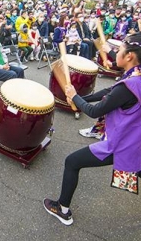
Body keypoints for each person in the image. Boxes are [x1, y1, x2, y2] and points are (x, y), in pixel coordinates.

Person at [44, 33, 141, 225]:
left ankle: (62, 210)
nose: (115, 52)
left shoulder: (129, 85)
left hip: (124, 144)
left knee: (72, 162)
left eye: (119, 49)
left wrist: (74, 96)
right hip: (136, 139)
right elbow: (110, 93)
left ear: (129, 56)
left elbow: (95, 110)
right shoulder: (136, 74)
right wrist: (79, 98)